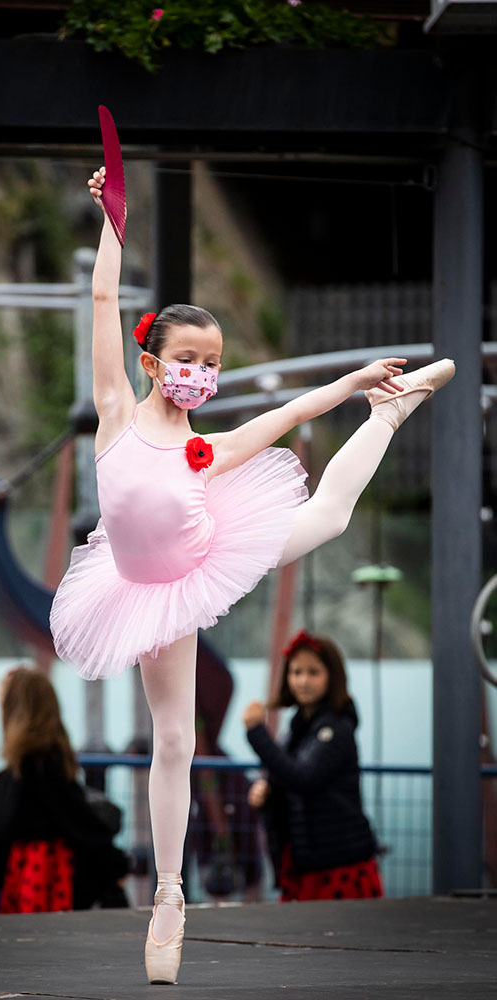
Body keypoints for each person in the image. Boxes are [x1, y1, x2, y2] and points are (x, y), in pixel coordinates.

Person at [48, 163, 454, 983]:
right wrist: (111, 218)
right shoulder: (118, 416)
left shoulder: (207, 446)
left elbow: (283, 417)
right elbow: (100, 304)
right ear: (153, 362)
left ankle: (391, 410)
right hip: (136, 586)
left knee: (331, 516)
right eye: (188, 355)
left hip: (204, 553)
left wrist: (346, 385)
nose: (203, 369)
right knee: (171, 741)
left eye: (214, 359)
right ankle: (167, 893)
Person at [243, 630, 384, 902]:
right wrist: (268, 788)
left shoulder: (336, 729)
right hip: (307, 862)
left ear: (332, 677)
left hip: (339, 865)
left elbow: (304, 778)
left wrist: (257, 733)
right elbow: (290, 773)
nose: (302, 681)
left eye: (313, 672)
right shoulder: (299, 728)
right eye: (295, 672)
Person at [0, 666, 129, 913]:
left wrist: (115, 862)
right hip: (45, 866)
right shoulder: (43, 759)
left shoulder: (33, 763)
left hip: (40, 869)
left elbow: (74, 818)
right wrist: (116, 863)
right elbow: (78, 818)